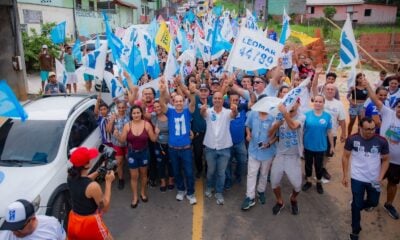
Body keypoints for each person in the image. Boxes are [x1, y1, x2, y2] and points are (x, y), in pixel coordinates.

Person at [342, 118, 390, 240]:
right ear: (360, 128)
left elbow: (386, 160)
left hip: (375, 179)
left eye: (373, 128)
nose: (371, 131)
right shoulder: (352, 139)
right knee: (357, 205)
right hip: (357, 177)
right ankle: (355, 230)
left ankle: (356, 205)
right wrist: (344, 175)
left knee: (373, 202)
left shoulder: (382, 141)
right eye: (367, 129)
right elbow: (345, 157)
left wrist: (380, 177)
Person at [159, 77, 197, 205]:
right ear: (173, 102)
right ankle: (181, 190)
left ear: (183, 102)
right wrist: (162, 91)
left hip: (185, 148)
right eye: (177, 101)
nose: (179, 103)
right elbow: (162, 104)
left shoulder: (188, 111)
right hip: (173, 149)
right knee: (176, 171)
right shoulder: (169, 112)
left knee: (189, 172)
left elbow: (192, 102)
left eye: (181, 101)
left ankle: (191, 193)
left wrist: (190, 92)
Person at [366, 80, 400, 220]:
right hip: (380, 157)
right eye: (399, 107)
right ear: (396, 107)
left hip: (397, 162)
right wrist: (367, 84)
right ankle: (371, 201)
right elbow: (374, 98)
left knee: (393, 183)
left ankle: (389, 204)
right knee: (374, 180)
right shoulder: (388, 113)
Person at [67, 147, 115, 240]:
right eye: (89, 158)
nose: (91, 159)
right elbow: (104, 208)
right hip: (89, 223)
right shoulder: (93, 187)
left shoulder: (70, 176)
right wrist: (108, 182)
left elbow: (83, 181)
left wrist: (98, 171)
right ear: (86, 165)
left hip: (74, 220)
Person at [115, 105, 158, 208]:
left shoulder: (147, 125)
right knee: (134, 177)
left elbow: (153, 139)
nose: (136, 115)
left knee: (143, 175)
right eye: (134, 113)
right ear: (131, 115)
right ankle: (135, 197)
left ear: (141, 113)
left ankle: (143, 192)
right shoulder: (127, 126)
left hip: (144, 153)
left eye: (138, 113)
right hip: (132, 154)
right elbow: (122, 140)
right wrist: (117, 135)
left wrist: (156, 133)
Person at [241, 96, 277, 211]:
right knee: (251, 174)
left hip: (267, 152)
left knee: (264, 173)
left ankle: (261, 191)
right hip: (253, 150)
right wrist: (248, 134)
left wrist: (269, 143)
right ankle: (249, 197)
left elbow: (277, 135)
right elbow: (247, 125)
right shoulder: (252, 114)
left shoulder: (274, 117)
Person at [201, 91, 238, 205]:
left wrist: (235, 110)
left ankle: (219, 192)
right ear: (213, 100)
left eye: (219, 98)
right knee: (211, 171)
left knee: (221, 173)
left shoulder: (227, 113)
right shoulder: (208, 111)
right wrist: (202, 108)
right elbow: (202, 113)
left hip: (225, 148)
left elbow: (234, 115)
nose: (217, 100)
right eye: (215, 98)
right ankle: (209, 187)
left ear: (223, 100)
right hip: (210, 147)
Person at [269, 101, 305, 215]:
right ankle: (280, 202)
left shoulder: (301, 116)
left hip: (293, 156)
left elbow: (293, 126)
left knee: (297, 186)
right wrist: (276, 125)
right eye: (289, 103)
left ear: (298, 104)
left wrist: (285, 114)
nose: (291, 105)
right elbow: (270, 134)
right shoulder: (279, 117)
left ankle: (293, 199)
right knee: (274, 182)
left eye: (294, 103)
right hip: (280, 155)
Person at [302, 95, 334, 194]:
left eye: (320, 102)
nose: (318, 103)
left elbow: (329, 132)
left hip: (321, 146)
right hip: (308, 146)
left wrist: (332, 146)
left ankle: (319, 182)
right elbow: (302, 131)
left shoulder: (327, 116)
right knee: (308, 165)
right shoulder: (306, 115)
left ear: (323, 103)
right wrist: (301, 145)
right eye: (316, 101)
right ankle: (308, 181)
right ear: (313, 102)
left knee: (319, 166)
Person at [0, 199, 65, 240]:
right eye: (11, 228)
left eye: (19, 228)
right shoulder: (6, 234)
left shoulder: (52, 224)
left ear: (33, 219)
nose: (14, 233)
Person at [151, 100, 174, 192]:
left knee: (171, 163)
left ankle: (171, 180)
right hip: (159, 145)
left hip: (170, 144)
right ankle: (163, 182)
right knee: (160, 164)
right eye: (155, 107)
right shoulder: (154, 118)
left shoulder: (169, 116)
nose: (157, 108)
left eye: (159, 106)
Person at [107, 100, 129, 190]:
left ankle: (133, 176)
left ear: (126, 108)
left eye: (123, 107)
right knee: (119, 162)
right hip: (117, 143)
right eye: (119, 107)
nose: (121, 109)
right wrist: (112, 121)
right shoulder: (113, 117)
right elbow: (108, 130)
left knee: (129, 160)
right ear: (117, 108)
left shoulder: (129, 117)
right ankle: (121, 179)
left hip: (128, 143)